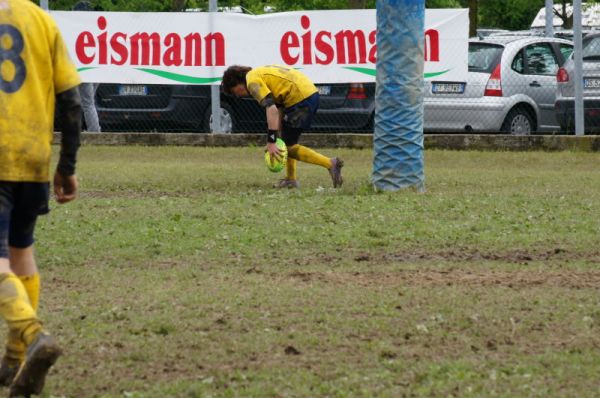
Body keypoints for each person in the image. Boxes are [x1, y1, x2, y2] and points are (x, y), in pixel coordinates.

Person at [0, 0, 82, 396]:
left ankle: (32, 335)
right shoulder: (41, 19)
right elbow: (71, 100)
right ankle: (15, 360)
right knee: (21, 252)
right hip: (32, 155)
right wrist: (66, 164)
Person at [222, 65, 343, 188]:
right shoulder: (258, 74)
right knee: (287, 142)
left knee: (288, 147)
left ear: (236, 82)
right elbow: (279, 107)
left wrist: (271, 141)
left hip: (300, 98)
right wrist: (278, 135)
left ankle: (330, 163)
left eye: (234, 91)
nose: (237, 95)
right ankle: (291, 179)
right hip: (307, 93)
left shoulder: (252, 82)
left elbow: (271, 109)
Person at [73, 0, 101, 133]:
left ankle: (94, 132)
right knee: (89, 103)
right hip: (97, 68)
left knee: (87, 103)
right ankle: (92, 130)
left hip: (86, 69)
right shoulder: (95, 27)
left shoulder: (76, 29)